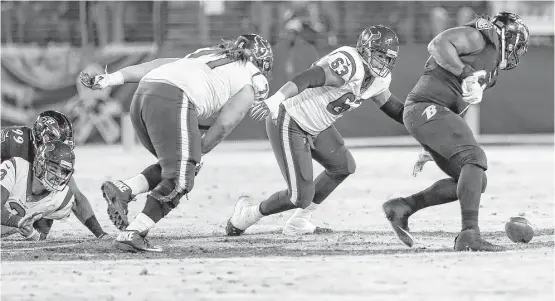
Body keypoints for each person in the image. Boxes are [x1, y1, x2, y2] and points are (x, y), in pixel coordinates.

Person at [80, 33, 274, 252]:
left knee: (175, 166)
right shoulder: (250, 81)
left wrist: (113, 78)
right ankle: (133, 232)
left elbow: (155, 66)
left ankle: (125, 188)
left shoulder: (206, 54)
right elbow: (223, 125)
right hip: (172, 99)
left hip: (141, 98)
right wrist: (198, 155)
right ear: (260, 62)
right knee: (182, 178)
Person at [226, 25, 405, 236]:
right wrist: (276, 99)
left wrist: (422, 124)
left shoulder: (379, 80)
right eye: (380, 55)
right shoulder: (350, 62)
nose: (384, 62)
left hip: (317, 126)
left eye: (388, 58)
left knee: (343, 166)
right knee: (299, 196)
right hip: (290, 119)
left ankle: (299, 222)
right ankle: (247, 214)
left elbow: (393, 107)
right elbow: (308, 78)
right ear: (365, 49)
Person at [381, 12, 529, 251]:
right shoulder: (480, 37)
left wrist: (434, 143)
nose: (518, 51)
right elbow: (438, 44)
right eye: (518, 44)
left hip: (433, 114)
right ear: (508, 35)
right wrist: (465, 73)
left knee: (475, 179)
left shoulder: (490, 71)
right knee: (474, 158)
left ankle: (403, 207)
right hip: (425, 106)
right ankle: (469, 234)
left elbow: (456, 103)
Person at [1, 110, 109, 240]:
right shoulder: (13, 142)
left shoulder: (48, 156)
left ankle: (16, 222)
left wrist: (100, 234)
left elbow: (77, 197)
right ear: (42, 137)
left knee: (41, 216)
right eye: (58, 142)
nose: (60, 147)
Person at [1, 141, 80, 241]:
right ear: (40, 165)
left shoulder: (60, 199)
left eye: (64, 171)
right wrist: (17, 221)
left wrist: (31, 233)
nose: (59, 176)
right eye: (54, 168)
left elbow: (40, 236)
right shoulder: (16, 168)